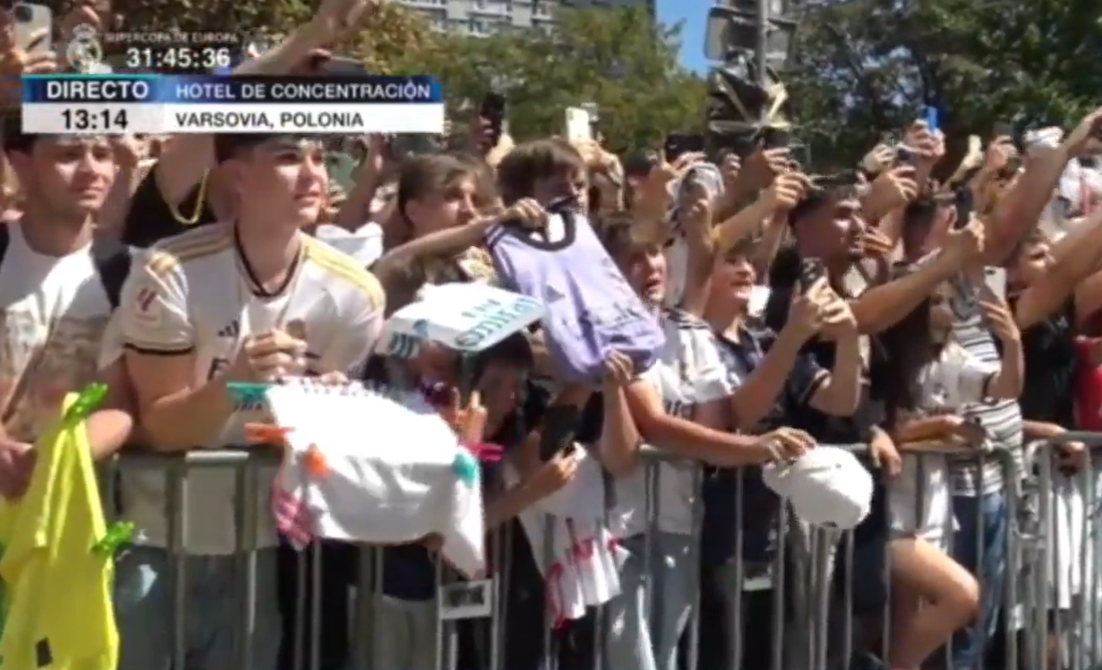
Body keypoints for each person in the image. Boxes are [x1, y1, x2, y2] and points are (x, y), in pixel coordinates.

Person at [114, 132, 385, 670]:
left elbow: (325, 449)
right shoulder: (168, 270)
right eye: (288, 158)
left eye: (319, 158)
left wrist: (330, 414)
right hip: (152, 537)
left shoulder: (357, 294)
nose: (312, 174)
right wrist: (237, 382)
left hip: (260, 550)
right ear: (236, 175)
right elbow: (162, 428)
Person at [876, 273, 1023, 670]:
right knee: (963, 596)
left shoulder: (949, 357)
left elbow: (1005, 387)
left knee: (908, 629)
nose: (946, 310)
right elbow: (888, 430)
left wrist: (1011, 341)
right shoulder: (889, 359)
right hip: (893, 517)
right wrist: (943, 426)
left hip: (933, 515)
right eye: (935, 300)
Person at [0, 125, 134, 493]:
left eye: (103, 155)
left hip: (72, 511)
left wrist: (59, 454)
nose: (92, 170)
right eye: (69, 155)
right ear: (21, 164)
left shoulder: (131, 272)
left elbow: (121, 405)